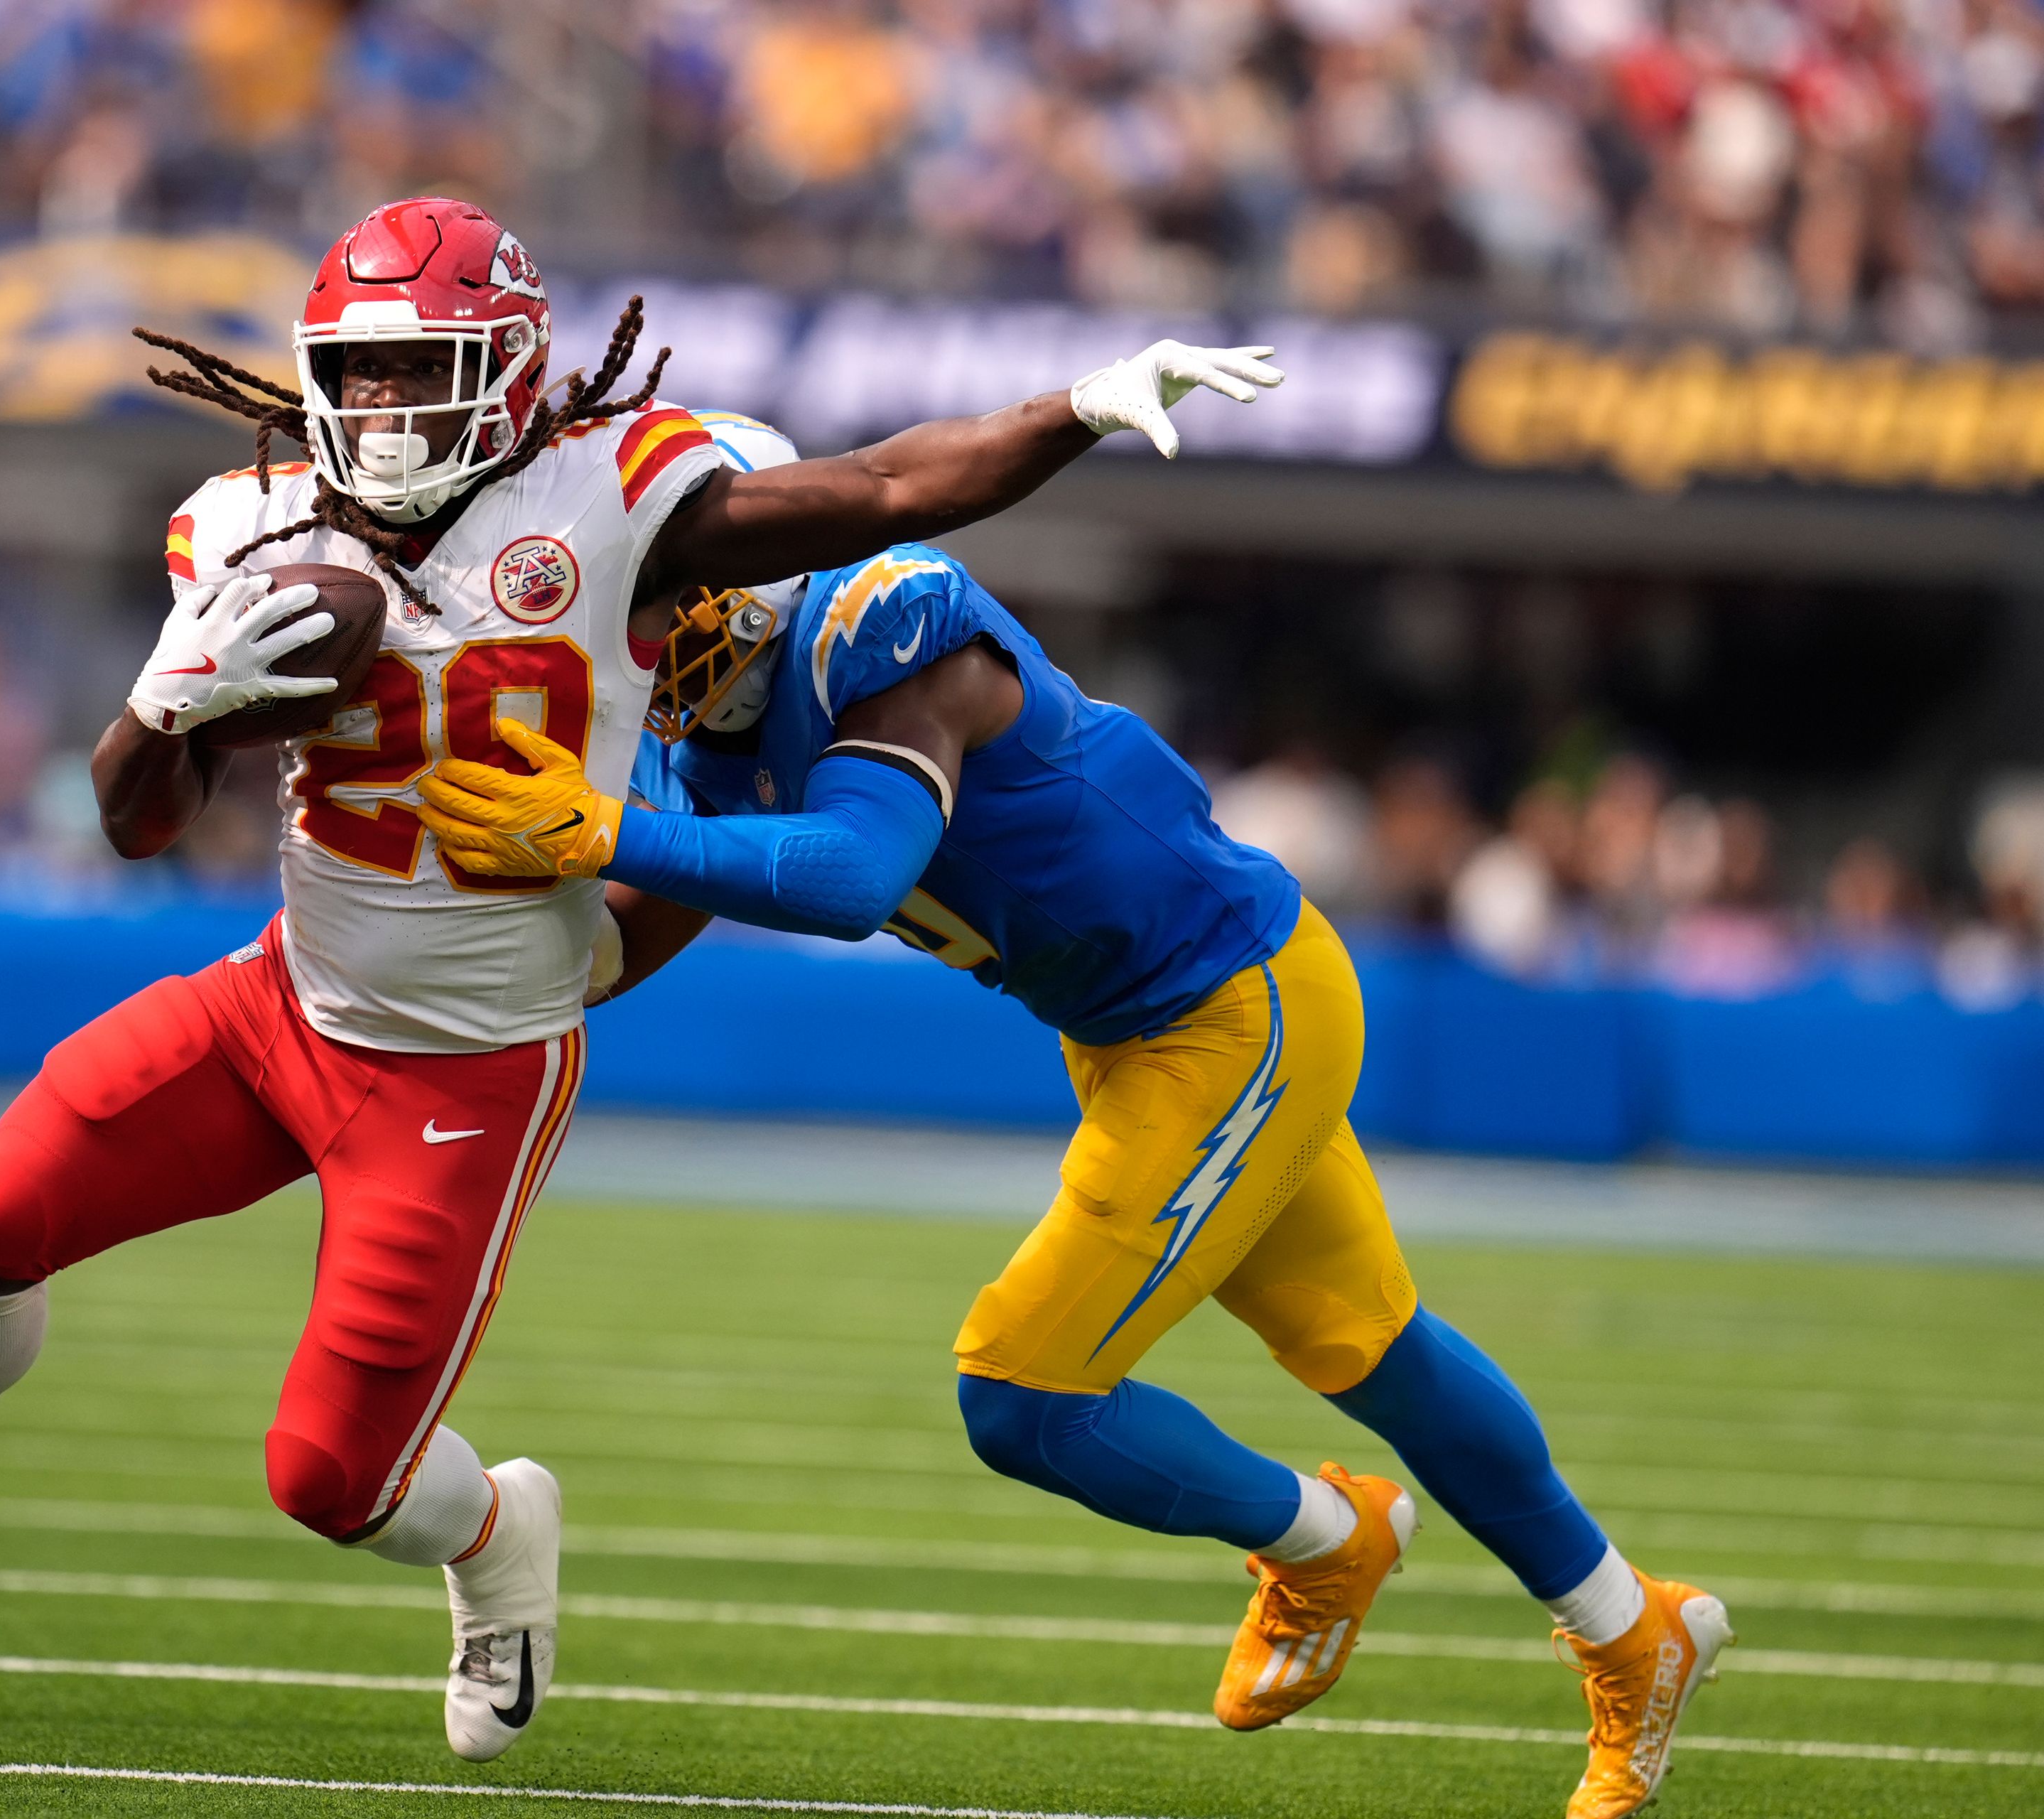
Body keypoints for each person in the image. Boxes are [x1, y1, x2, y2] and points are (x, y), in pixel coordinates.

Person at [0, 195, 1283, 1764]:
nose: (382, 407)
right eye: (359, 370)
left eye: (420, 367)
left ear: (513, 365)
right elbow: (134, 824)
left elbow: (876, 486)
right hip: (278, 1004)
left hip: (465, 1072)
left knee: (332, 1477)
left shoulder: (616, 495)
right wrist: (162, 709)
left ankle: (501, 1526)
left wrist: (1076, 407)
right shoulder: (250, 521)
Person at [411, 413, 1731, 1819]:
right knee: (1373, 1345)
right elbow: (635, 924)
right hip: (1146, 1032)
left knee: (1024, 1388)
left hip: (1235, 1006)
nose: (642, 627)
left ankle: (1325, 1538)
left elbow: (855, 870)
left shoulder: (895, 636)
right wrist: (470, 980)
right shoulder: (704, 746)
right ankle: (1631, 1623)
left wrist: (609, 829)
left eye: (663, 591)